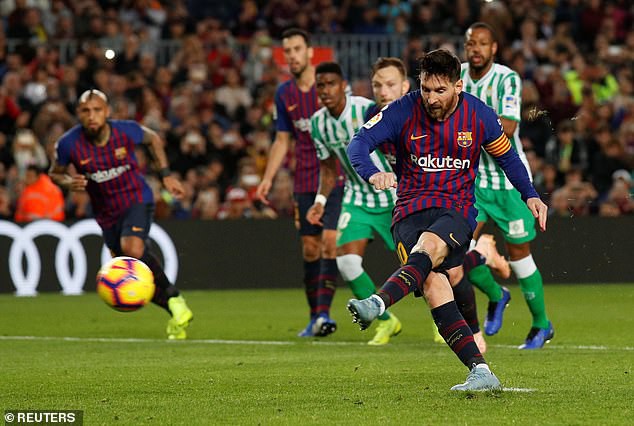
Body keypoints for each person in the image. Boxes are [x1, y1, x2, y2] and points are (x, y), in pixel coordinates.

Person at [346, 49, 548, 391]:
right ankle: (481, 372)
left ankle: (377, 303)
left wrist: (529, 193)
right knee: (434, 286)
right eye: (426, 89)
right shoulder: (402, 109)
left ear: (458, 86)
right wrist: (372, 173)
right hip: (408, 210)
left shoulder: (479, 115)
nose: (431, 98)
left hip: (455, 208)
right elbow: (358, 144)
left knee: (428, 248)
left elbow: (508, 157)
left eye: (440, 90)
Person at [49, 89, 194, 340]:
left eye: (97, 110)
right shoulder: (68, 143)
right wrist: (68, 183)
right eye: (86, 111)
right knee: (127, 272)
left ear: (107, 112)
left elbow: (153, 139)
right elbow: (55, 173)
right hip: (106, 213)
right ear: (78, 114)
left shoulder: (125, 130)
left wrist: (166, 175)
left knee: (132, 249)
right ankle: (176, 309)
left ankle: (173, 296)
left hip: (136, 198)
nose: (92, 116)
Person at [461, 22, 554, 349]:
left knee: (519, 257)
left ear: (493, 48)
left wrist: (464, 130)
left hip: (508, 182)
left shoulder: (506, 78)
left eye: (482, 43)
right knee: (457, 250)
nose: (475, 49)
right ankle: (496, 294)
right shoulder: (458, 77)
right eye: (471, 43)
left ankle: (541, 324)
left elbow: (509, 126)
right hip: (472, 183)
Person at [306, 59, 406, 345]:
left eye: (331, 84)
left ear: (344, 86)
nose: (325, 90)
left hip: (392, 197)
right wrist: (320, 200)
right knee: (347, 262)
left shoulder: (366, 109)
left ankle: (441, 323)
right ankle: (386, 322)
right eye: (320, 86)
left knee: (416, 263)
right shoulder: (317, 124)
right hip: (356, 198)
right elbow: (328, 169)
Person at [255, 28, 343, 337]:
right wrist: (268, 178)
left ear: (309, 52)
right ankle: (315, 316)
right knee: (310, 248)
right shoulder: (284, 94)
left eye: (296, 49)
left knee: (330, 242)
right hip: (305, 179)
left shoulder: (328, 86)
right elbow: (282, 140)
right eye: (287, 51)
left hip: (336, 177)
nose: (292, 56)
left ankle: (324, 315)